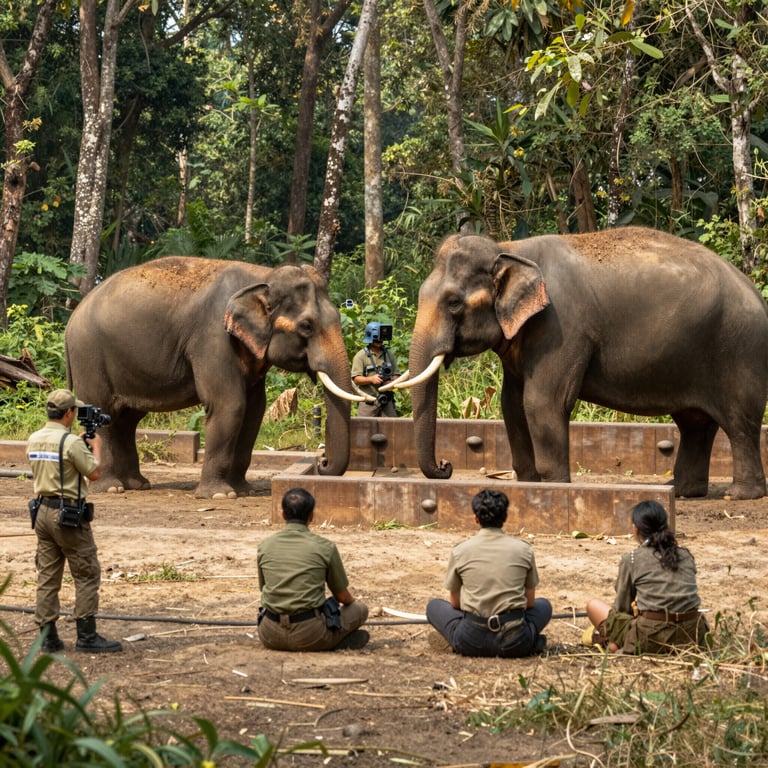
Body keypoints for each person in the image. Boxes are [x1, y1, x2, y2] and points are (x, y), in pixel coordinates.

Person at [26, 389, 123, 654]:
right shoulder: (70, 444)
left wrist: (78, 445)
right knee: (86, 572)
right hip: (67, 516)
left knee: (47, 575)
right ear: (68, 413)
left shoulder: (34, 439)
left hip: (42, 512)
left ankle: (48, 637)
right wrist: (96, 449)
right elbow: (93, 472)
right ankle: (87, 636)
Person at [426, 488, 552, 657]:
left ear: (476, 518)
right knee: (544, 606)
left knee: (433, 606)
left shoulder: (460, 550)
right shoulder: (524, 550)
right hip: (514, 638)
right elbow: (529, 603)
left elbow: (455, 604)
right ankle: (529, 641)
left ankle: (456, 641)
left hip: (471, 639)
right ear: (505, 518)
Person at [584, 500, 709, 654]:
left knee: (593, 605)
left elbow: (621, 609)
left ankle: (614, 643)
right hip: (693, 635)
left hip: (650, 637)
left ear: (636, 529)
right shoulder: (685, 554)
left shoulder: (631, 558)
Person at [257, 488, 369, 651]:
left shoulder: (264, 546)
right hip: (310, 634)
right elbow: (343, 597)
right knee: (360, 610)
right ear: (311, 516)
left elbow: (264, 588)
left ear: (282, 514)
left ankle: (329, 641)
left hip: (269, 634)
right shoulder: (325, 547)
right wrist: (349, 608)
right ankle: (333, 641)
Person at [351, 321, 401, 417]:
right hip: (368, 402)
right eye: (376, 338)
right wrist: (371, 379)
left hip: (387, 400)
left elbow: (396, 375)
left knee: (391, 427)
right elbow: (356, 379)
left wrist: (391, 382)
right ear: (370, 338)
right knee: (364, 429)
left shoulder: (389, 354)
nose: (379, 340)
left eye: (381, 338)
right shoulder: (361, 356)